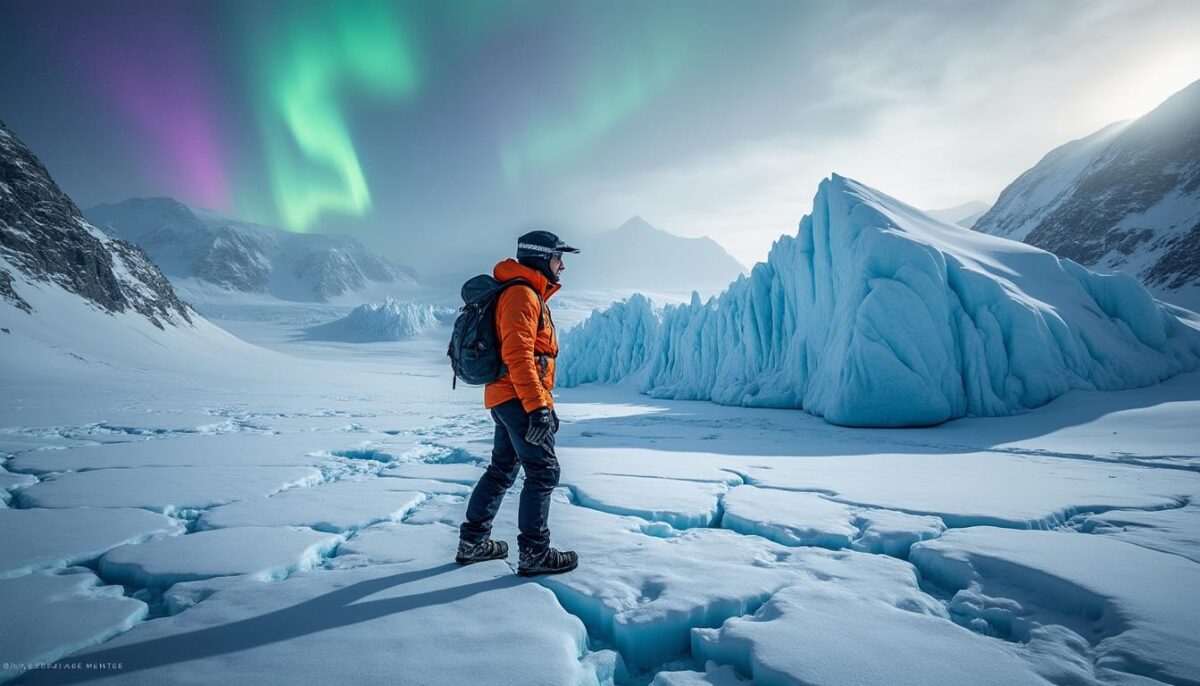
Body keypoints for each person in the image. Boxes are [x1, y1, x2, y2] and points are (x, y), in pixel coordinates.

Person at [456, 230, 580, 576]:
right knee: (544, 471)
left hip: (509, 396)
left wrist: (540, 403)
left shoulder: (524, 293)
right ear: (542, 257)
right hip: (517, 397)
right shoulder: (522, 295)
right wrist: (537, 407)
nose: (562, 266)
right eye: (559, 257)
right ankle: (535, 552)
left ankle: (473, 542)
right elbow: (519, 356)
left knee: (503, 469)